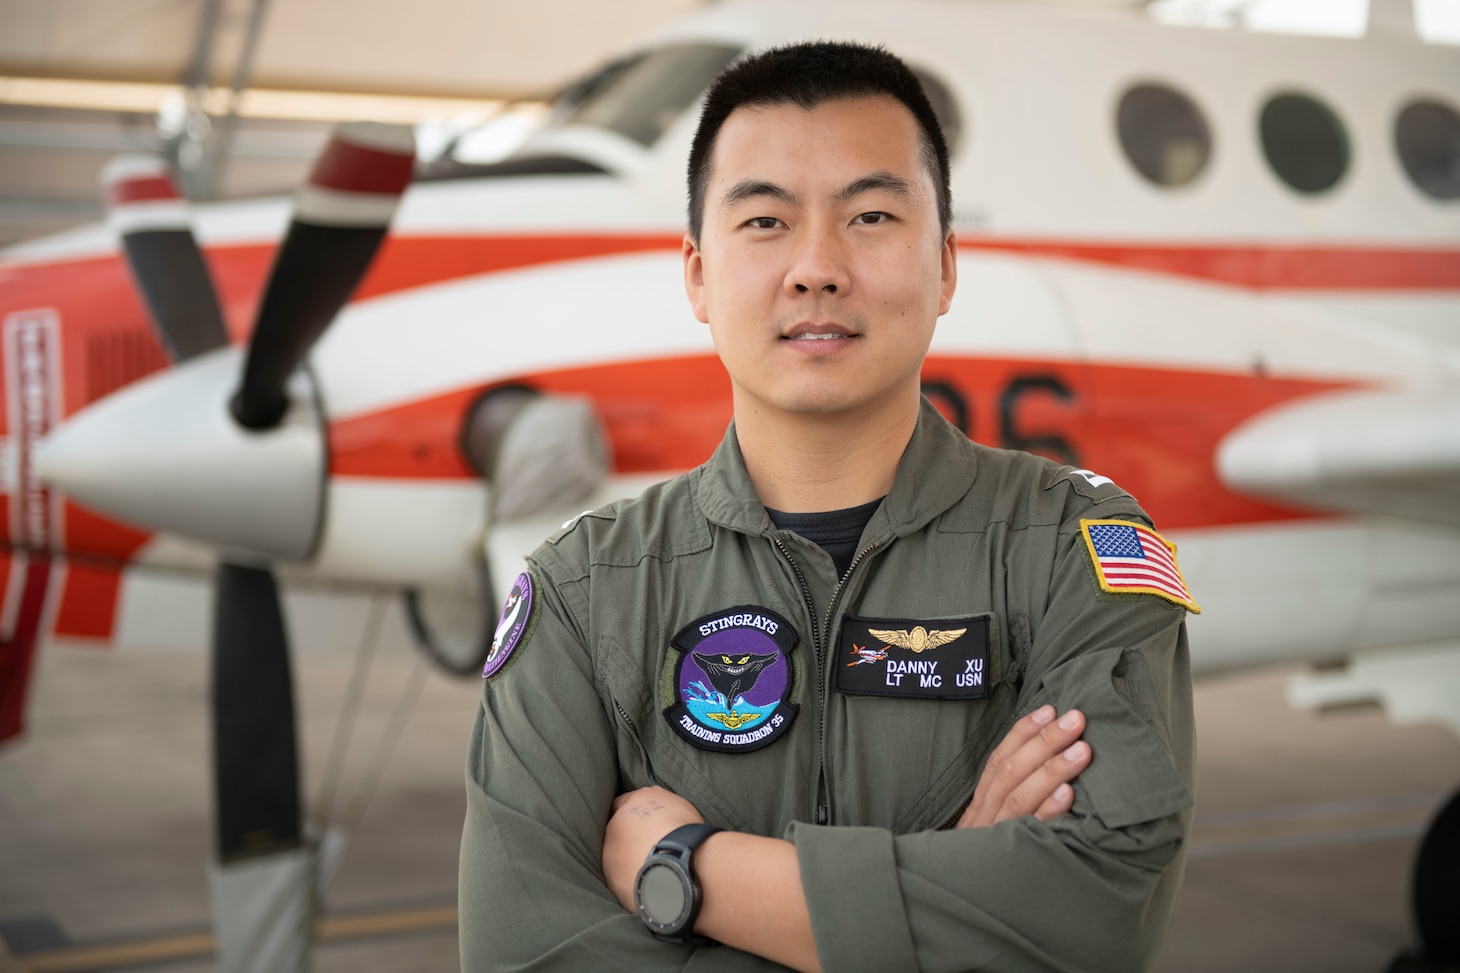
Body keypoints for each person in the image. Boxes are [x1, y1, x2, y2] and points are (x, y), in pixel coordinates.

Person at [460, 41, 1195, 972]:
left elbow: (1094, 915)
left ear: (946, 267)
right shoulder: (580, 592)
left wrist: (691, 873)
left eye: (873, 214)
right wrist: (957, 879)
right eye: (765, 220)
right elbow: (524, 950)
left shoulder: (1075, 551)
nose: (816, 267)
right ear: (697, 273)